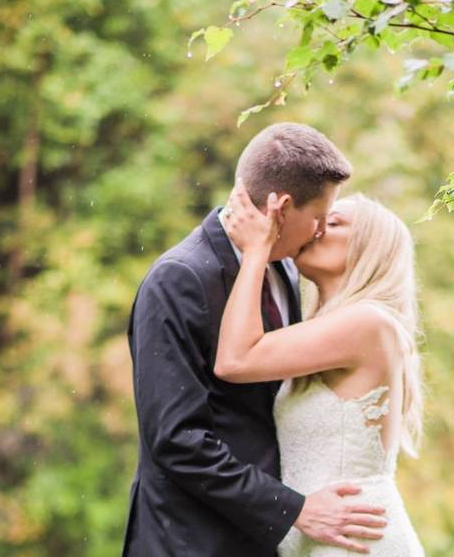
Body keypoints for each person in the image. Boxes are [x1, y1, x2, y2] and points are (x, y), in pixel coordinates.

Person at [122, 122, 388, 557]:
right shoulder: (179, 279)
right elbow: (176, 439)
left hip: (264, 543)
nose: (320, 231)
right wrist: (293, 510)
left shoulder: (283, 269)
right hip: (191, 541)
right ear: (281, 208)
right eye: (319, 218)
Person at [215, 180, 425, 556]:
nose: (317, 228)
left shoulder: (368, 324)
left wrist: (256, 250)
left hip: (356, 543)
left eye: (335, 222)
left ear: (370, 249)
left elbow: (235, 360)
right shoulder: (328, 330)